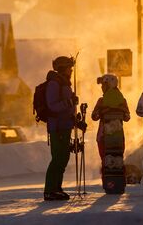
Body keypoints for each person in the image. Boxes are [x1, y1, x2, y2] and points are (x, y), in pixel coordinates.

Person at [43, 56, 82, 201]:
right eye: (69, 68)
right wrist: (69, 102)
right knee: (58, 158)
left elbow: (66, 107)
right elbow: (52, 105)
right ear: (63, 68)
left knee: (64, 158)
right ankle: (50, 190)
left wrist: (76, 120)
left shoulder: (65, 83)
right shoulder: (54, 83)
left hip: (65, 126)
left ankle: (57, 188)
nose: (71, 71)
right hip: (57, 127)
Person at [91, 74, 131, 192]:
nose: (102, 88)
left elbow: (94, 117)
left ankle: (109, 185)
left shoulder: (102, 101)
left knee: (106, 161)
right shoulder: (122, 100)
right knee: (118, 159)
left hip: (104, 136)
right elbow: (127, 117)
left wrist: (105, 110)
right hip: (118, 137)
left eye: (104, 85)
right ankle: (119, 185)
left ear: (109, 85)